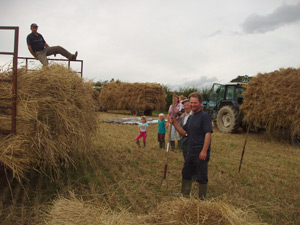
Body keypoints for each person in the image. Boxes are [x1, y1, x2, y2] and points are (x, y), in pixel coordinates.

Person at [171, 92, 213, 199]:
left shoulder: (205, 116)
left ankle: (202, 199)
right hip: (191, 150)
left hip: (200, 150)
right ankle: (184, 194)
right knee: (186, 172)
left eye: (195, 103)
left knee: (201, 176)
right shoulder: (191, 118)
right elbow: (184, 133)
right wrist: (174, 123)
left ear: (200, 103)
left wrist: (204, 151)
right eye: (191, 102)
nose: (193, 105)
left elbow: (208, 134)